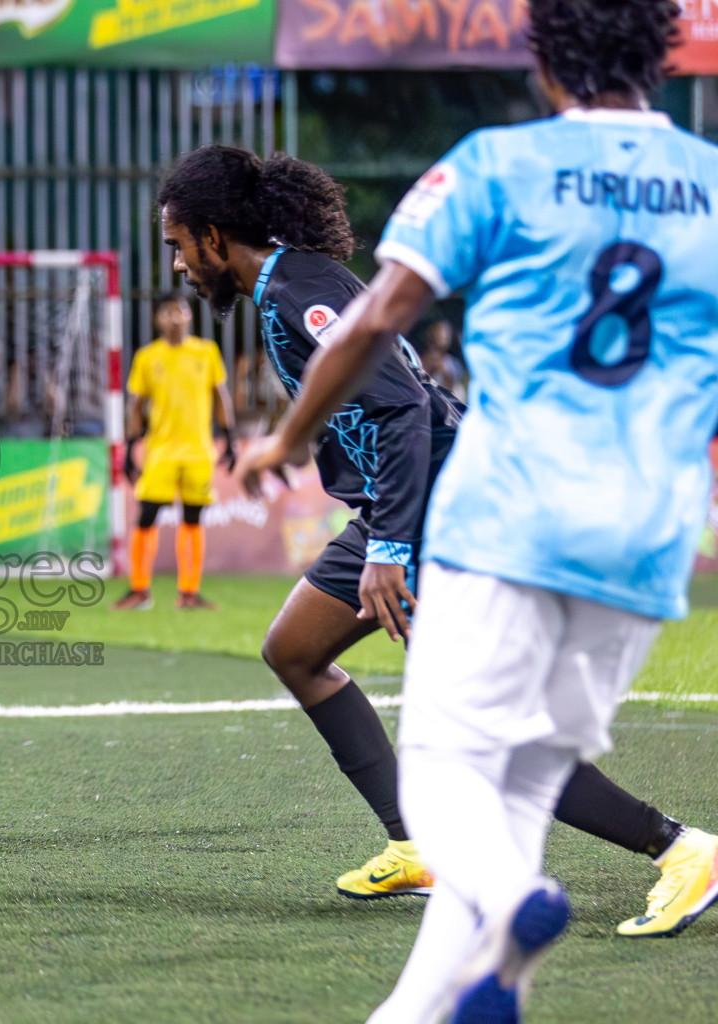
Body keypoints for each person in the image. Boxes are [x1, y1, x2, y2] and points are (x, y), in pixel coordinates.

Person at [240, 2, 718, 1019]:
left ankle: (512, 899)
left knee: (448, 779)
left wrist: (284, 440)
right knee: (520, 775)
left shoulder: (499, 163)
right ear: (660, 57)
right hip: (647, 539)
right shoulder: (711, 183)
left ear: (546, 62)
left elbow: (377, 323)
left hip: (507, 515)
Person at [161, 139, 716, 937]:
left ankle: (682, 849)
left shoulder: (297, 291)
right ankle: (416, 844)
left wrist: (390, 545)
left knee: (488, 729)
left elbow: (402, 408)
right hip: (400, 508)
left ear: (214, 235)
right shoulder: (293, 283)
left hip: (435, 515)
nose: (178, 265)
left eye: (179, 245)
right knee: (295, 650)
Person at [113, 294, 236, 611]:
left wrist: (230, 439)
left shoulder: (206, 352)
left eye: (181, 309)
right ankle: (139, 589)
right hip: (161, 451)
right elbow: (136, 406)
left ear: (189, 316)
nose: (176, 316)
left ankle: (189, 593)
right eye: (168, 311)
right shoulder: (147, 357)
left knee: (193, 518)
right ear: (158, 319)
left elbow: (220, 396)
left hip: (198, 450)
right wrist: (129, 449)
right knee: (146, 516)